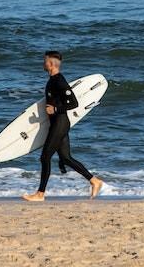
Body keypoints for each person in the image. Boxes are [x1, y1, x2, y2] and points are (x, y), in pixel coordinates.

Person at [22, 51, 103, 201]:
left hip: (60, 122)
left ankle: (40, 194)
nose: (43, 63)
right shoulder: (53, 80)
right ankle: (95, 181)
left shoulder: (59, 81)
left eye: (45, 61)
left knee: (45, 157)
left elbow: (73, 103)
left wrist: (55, 109)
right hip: (58, 123)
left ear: (51, 64)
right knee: (66, 158)